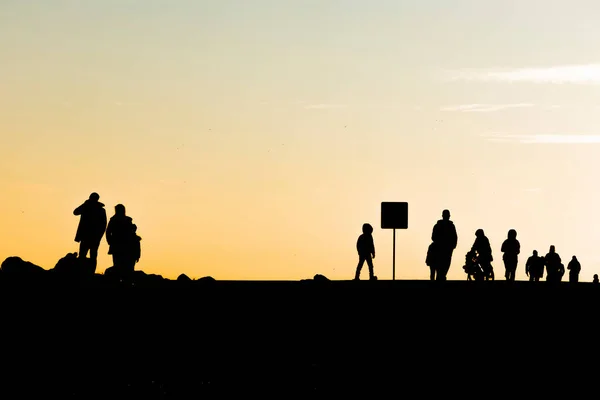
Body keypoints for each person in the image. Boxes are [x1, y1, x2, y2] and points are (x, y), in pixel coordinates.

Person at [73, 192, 107, 270]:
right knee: (92, 256)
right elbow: (75, 212)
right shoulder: (100, 210)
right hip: (92, 237)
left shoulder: (87, 207)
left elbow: (75, 212)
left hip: (88, 236)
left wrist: (85, 204)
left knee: (85, 255)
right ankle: (89, 272)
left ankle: (82, 272)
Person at [430, 209, 458, 281]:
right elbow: (433, 237)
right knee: (442, 265)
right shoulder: (440, 226)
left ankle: (441, 277)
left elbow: (454, 237)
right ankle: (440, 278)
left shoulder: (450, 226)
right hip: (441, 249)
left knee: (445, 265)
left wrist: (452, 246)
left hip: (447, 249)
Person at [106, 204, 134, 272]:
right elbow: (108, 232)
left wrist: (110, 241)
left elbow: (108, 232)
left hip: (122, 244)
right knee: (120, 263)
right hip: (121, 244)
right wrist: (110, 241)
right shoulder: (126, 220)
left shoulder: (115, 220)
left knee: (120, 263)